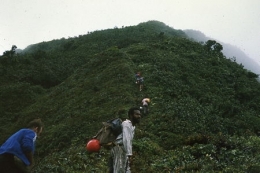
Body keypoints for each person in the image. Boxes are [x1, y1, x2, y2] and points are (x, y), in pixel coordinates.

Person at [110, 107, 141, 173]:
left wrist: (129, 153)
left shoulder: (132, 126)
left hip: (124, 150)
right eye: (137, 114)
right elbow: (126, 140)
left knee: (126, 169)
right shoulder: (126, 124)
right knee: (119, 170)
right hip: (119, 148)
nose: (139, 116)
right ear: (131, 115)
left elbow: (129, 141)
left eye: (139, 114)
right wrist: (129, 154)